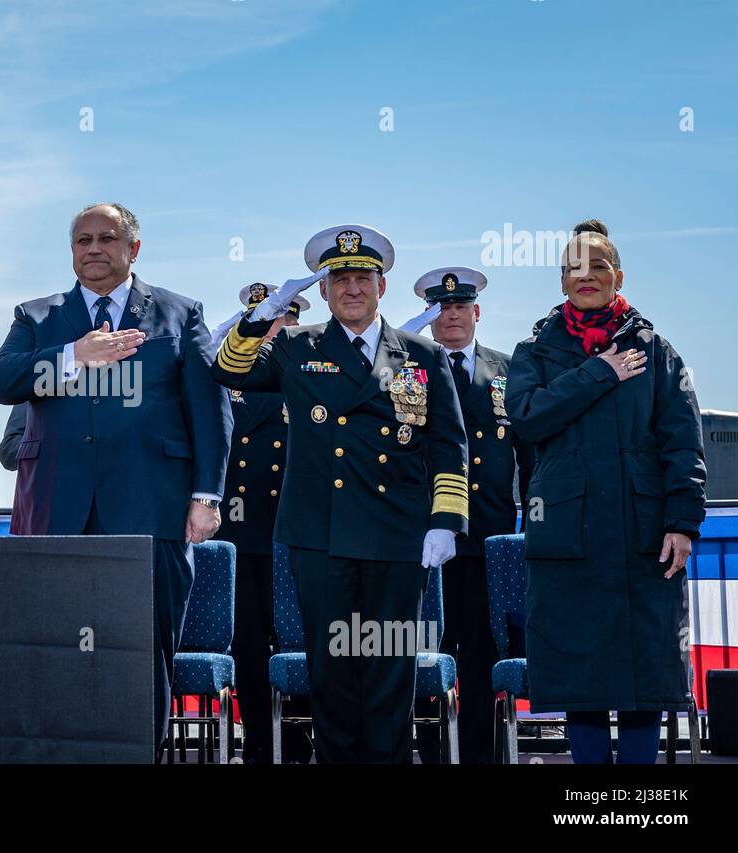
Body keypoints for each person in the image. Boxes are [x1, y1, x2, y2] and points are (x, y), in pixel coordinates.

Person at [212, 224, 469, 763]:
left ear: (382, 288)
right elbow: (227, 367)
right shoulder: (294, 347)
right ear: (324, 292)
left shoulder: (422, 355)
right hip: (320, 538)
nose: (352, 288)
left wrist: (446, 520)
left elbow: (449, 445)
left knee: (389, 674)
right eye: (341, 279)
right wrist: (258, 320)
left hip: (397, 540)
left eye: (363, 278)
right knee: (332, 675)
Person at [0, 202, 232, 755]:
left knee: (144, 653)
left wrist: (206, 495)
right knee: (56, 653)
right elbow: (0, 381)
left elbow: (210, 412)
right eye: (82, 240)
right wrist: (74, 355)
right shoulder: (37, 317)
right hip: (57, 512)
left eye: (106, 238)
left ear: (133, 249)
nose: (93, 248)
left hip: (153, 511)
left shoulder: (180, 313)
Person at [505, 219, 706, 764]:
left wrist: (683, 524)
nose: (586, 276)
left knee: (644, 672)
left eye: (598, 266)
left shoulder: (657, 351)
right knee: (580, 676)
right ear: (561, 280)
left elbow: (683, 444)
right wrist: (599, 373)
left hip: (644, 541)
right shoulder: (534, 352)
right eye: (574, 267)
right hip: (568, 543)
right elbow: (527, 418)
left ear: (618, 275)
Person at [404, 267, 535, 764]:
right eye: (441, 309)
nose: (451, 316)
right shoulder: (408, 369)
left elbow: (528, 456)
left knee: (482, 655)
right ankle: (434, 756)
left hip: (487, 539)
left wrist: (530, 523)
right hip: (425, 540)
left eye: (460, 307)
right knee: (425, 653)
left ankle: (481, 755)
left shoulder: (508, 370)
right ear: (430, 316)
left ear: (476, 313)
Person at [217, 283, 312, 764]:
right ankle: (259, 740)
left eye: (284, 319)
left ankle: (299, 737)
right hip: (238, 533)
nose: (276, 328)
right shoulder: (230, 380)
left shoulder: (306, 375)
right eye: (266, 320)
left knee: (302, 637)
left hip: (293, 529)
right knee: (248, 642)